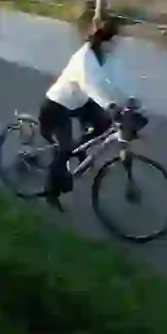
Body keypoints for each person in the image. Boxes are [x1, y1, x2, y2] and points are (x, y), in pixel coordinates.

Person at [38, 17, 128, 212]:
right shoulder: (84, 58)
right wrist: (110, 105)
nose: (117, 45)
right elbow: (90, 85)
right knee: (64, 149)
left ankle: (78, 149)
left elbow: (119, 79)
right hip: (57, 105)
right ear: (104, 40)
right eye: (114, 41)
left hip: (81, 103)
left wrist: (133, 100)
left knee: (103, 124)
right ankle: (50, 192)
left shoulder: (106, 58)